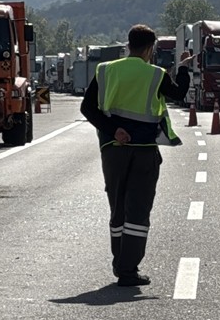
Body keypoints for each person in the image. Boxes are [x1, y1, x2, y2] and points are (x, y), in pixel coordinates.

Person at [80, 25, 192, 287]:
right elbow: (179, 94)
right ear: (150, 48)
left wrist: (113, 130)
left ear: (128, 45)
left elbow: (87, 108)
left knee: (117, 208)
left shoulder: (105, 70)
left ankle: (120, 262)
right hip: (143, 152)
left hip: (112, 150)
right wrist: (184, 67)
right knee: (138, 211)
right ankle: (128, 269)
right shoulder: (155, 74)